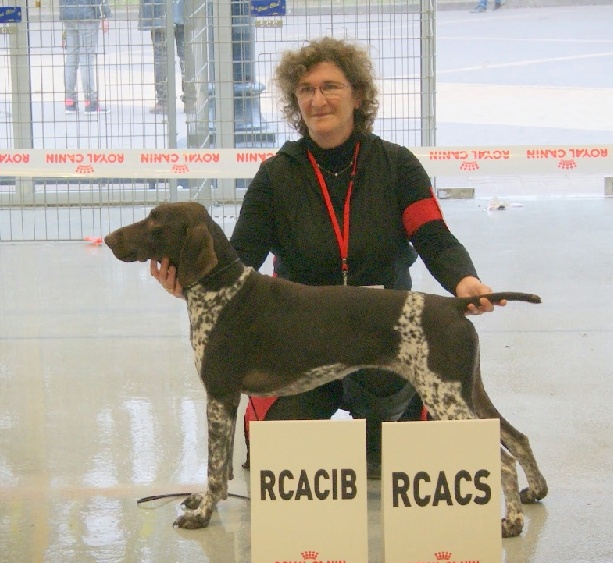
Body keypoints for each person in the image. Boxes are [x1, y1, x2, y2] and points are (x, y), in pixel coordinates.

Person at [150, 36, 507, 478]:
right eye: (306, 90)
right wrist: (191, 284)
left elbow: (433, 236)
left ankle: (400, 414)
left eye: (330, 87)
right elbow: (239, 260)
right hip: (296, 341)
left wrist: (464, 280)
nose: (317, 100)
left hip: (382, 331)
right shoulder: (276, 175)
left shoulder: (398, 166)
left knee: (385, 457)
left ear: (358, 95)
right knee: (280, 459)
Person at [138, 0, 195, 114]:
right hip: (183, 8)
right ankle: (190, 99)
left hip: (158, 10)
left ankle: (164, 100)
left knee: (161, 55)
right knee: (185, 53)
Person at [60, 0, 110, 114]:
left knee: (71, 58)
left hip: (67, 13)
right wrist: (104, 14)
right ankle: (90, 101)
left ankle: (69, 101)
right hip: (87, 13)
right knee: (87, 57)